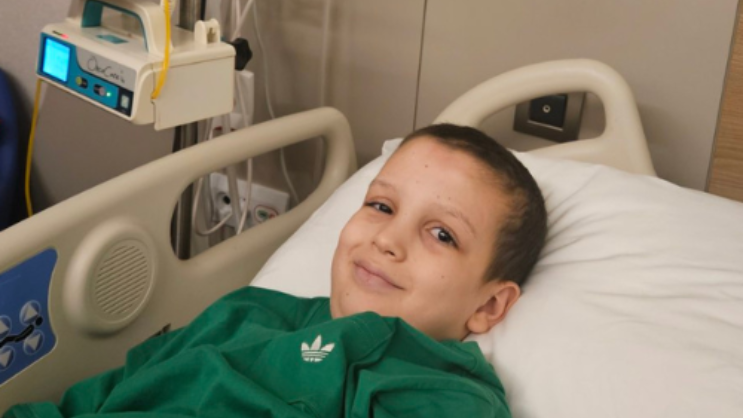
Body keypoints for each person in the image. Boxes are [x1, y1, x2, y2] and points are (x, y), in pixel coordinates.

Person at [4, 124, 546, 418]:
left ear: (489, 305)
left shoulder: (441, 392)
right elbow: (102, 396)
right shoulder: (247, 312)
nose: (387, 240)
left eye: (442, 234)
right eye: (381, 206)